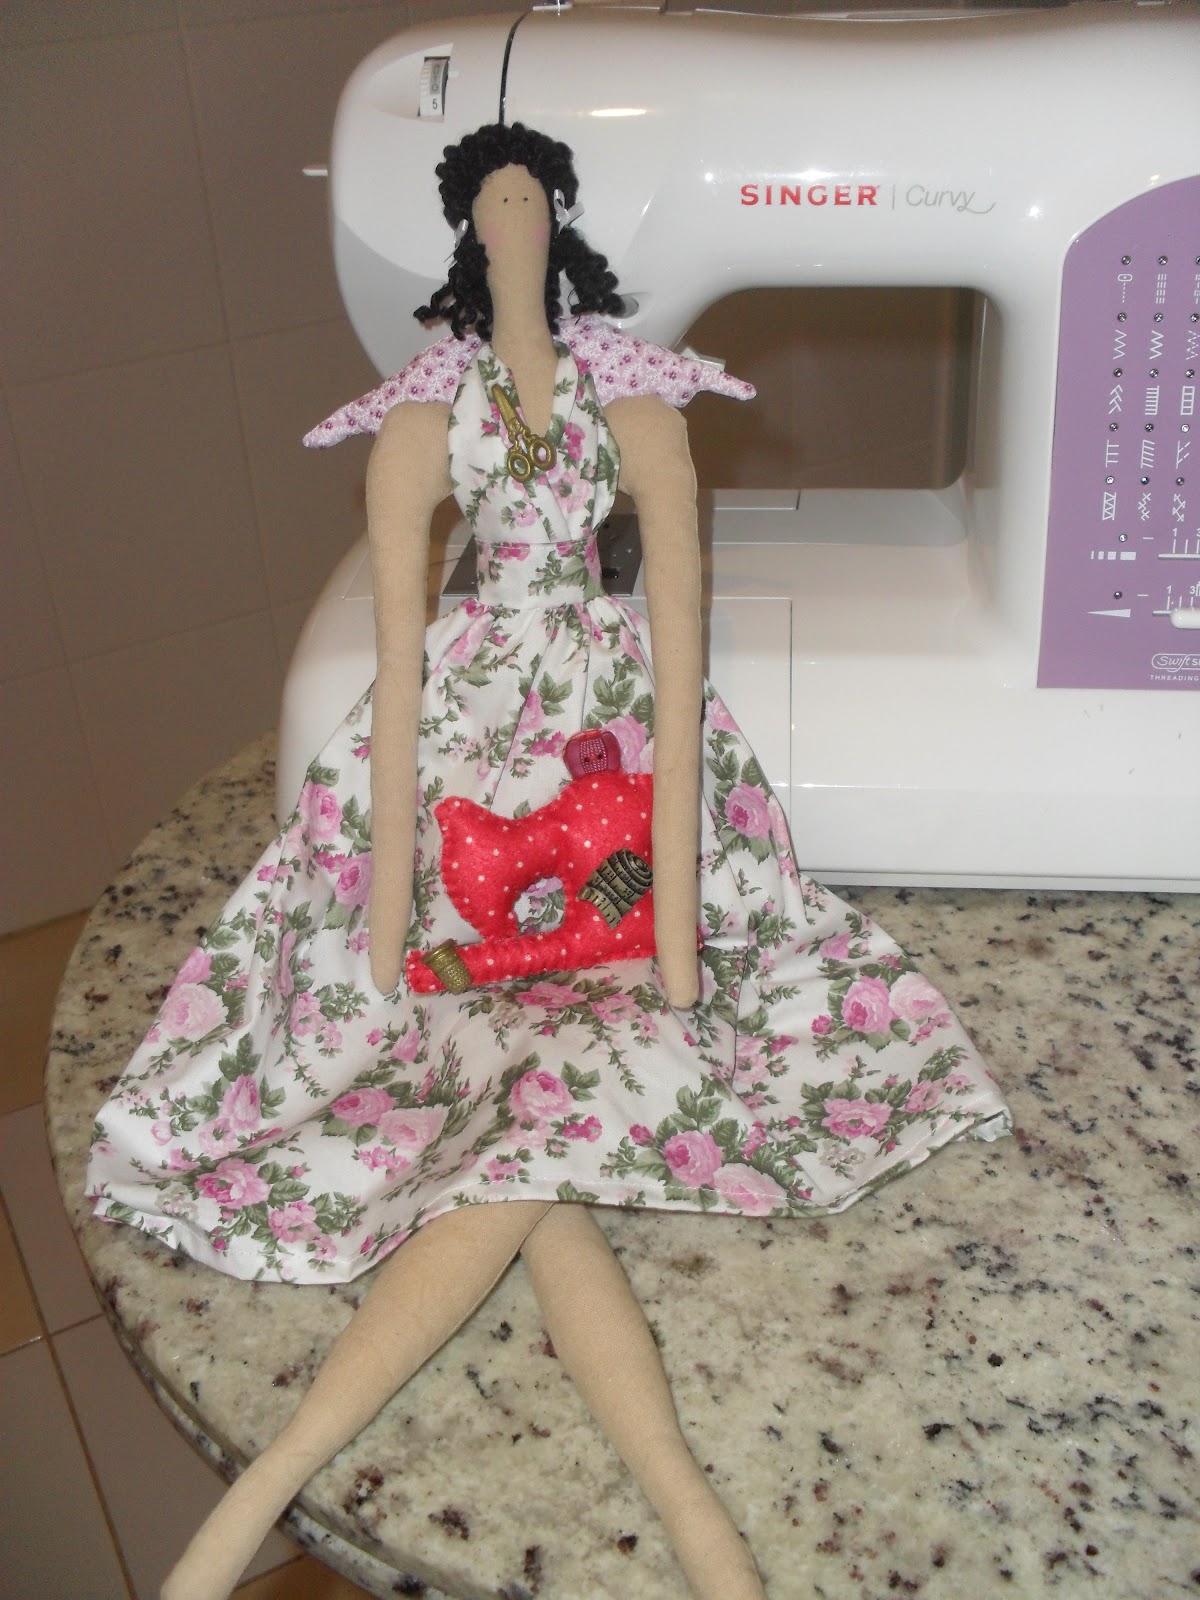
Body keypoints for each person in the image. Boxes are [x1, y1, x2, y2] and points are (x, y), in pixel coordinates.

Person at [88, 122, 1009, 1600]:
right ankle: (670, 1512)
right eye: (492, 206)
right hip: (466, 820)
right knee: (533, 1133)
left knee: (530, 1127)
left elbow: (678, 648)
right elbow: (401, 673)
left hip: (606, 793)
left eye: (528, 202)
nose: (513, 225)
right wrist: (378, 931)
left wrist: (680, 930)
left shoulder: (634, 407)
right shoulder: (424, 421)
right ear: (473, 232)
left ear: (557, 218)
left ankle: (282, 1479)